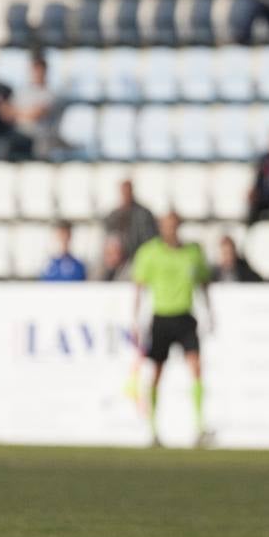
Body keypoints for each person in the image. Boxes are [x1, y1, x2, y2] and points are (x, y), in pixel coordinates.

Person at [132, 212, 213, 448]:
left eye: (173, 225)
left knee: (196, 368)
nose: (170, 230)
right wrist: (135, 320)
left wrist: (210, 311)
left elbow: (204, 283)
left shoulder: (192, 253)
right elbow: (139, 287)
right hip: (161, 318)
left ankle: (200, 426)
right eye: (166, 226)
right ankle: (153, 429)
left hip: (185, 317)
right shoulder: (149, 253)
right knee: (156, 373)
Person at [0, 56, 65, 161]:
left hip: (40, 137)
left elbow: (36, 115)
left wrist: (16, 112)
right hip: (20, 134)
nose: (36, 74)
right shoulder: (22, 92)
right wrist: (25, 112)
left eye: (39, 71)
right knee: (3, 145)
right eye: (34, 70)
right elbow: (6, 114)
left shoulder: (51, 94)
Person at [103, 180, 159, 264]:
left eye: (128, 191)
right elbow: (108, 238)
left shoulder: (144, 214)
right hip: (116, 261)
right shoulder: (113, 215)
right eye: (123, 191)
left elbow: (150, 240)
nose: (126, 194)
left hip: (138, 259)